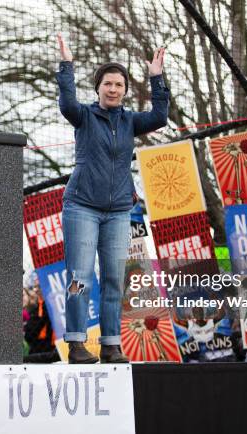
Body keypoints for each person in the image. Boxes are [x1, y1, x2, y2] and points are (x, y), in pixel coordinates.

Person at [56, 34, 169, 363]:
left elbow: (160, 116)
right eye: (108, 83)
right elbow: (66, 103)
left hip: (119, 211)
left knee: (112, 279)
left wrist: (157, 79)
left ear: (124, 89)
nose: (114, 89)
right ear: (99, 88)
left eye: (119, 84)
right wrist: (66, 66)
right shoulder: (85, 116)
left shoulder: (131, 120)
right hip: (81, 207)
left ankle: (111, 344)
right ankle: (76, 343)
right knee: (79, 276)